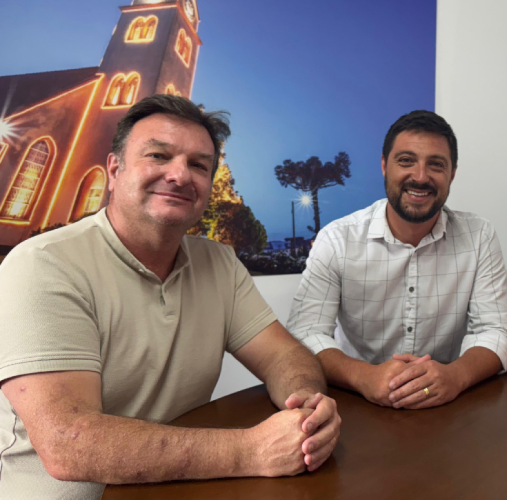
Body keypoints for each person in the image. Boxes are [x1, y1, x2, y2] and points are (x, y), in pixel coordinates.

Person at [0, 95, 341, 500]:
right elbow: (69, 445)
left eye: (198, 165)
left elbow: (284, 356)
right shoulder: (42, 264)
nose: (180, 175)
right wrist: (250, 450)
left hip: (177, 487)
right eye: (158, 155)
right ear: (114, 170)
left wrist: (304, 406)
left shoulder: (219, 262)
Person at [287, 110, 507, 410]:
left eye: (436, 164)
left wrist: (455, 376)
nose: (420, 177)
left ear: (453, 173)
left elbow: (497, 330)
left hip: (449, 407)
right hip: (353, 404)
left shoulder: (479, 236)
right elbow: (305, 333)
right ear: (384, 166)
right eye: (406, 161)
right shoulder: (337, 240)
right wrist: (363, 376)